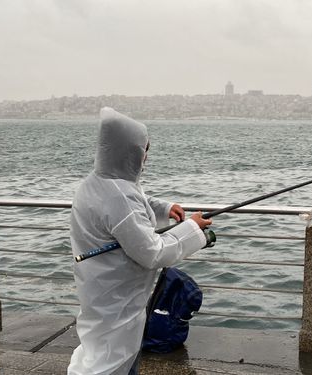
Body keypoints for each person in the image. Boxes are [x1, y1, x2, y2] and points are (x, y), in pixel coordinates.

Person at [67, 107, 212, 375]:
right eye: (144, 150)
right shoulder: (117, 197)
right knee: (113, 358)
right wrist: (193, 229)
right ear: (129, 152)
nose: (146, 157)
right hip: (117, 297)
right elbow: (152, 252)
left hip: (99, 288)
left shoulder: (97, 183)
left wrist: (164, 209)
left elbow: (135, 203)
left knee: (98, 349)